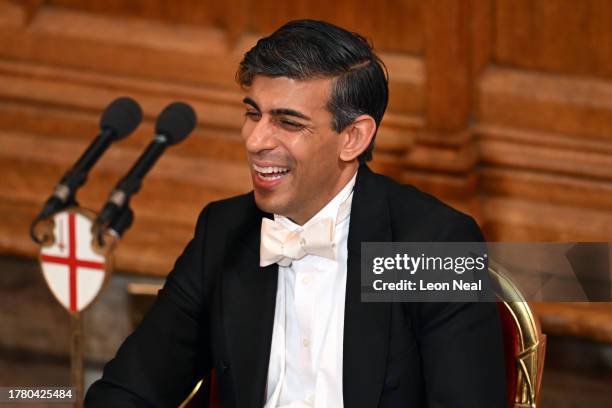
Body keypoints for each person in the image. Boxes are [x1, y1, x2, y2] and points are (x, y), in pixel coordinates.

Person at [85, 19, 506, 407]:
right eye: (253, 114)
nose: (255, 140)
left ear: (353, 137)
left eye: (287, 122)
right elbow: (128, 391)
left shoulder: (431, 244)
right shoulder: (224, 232)